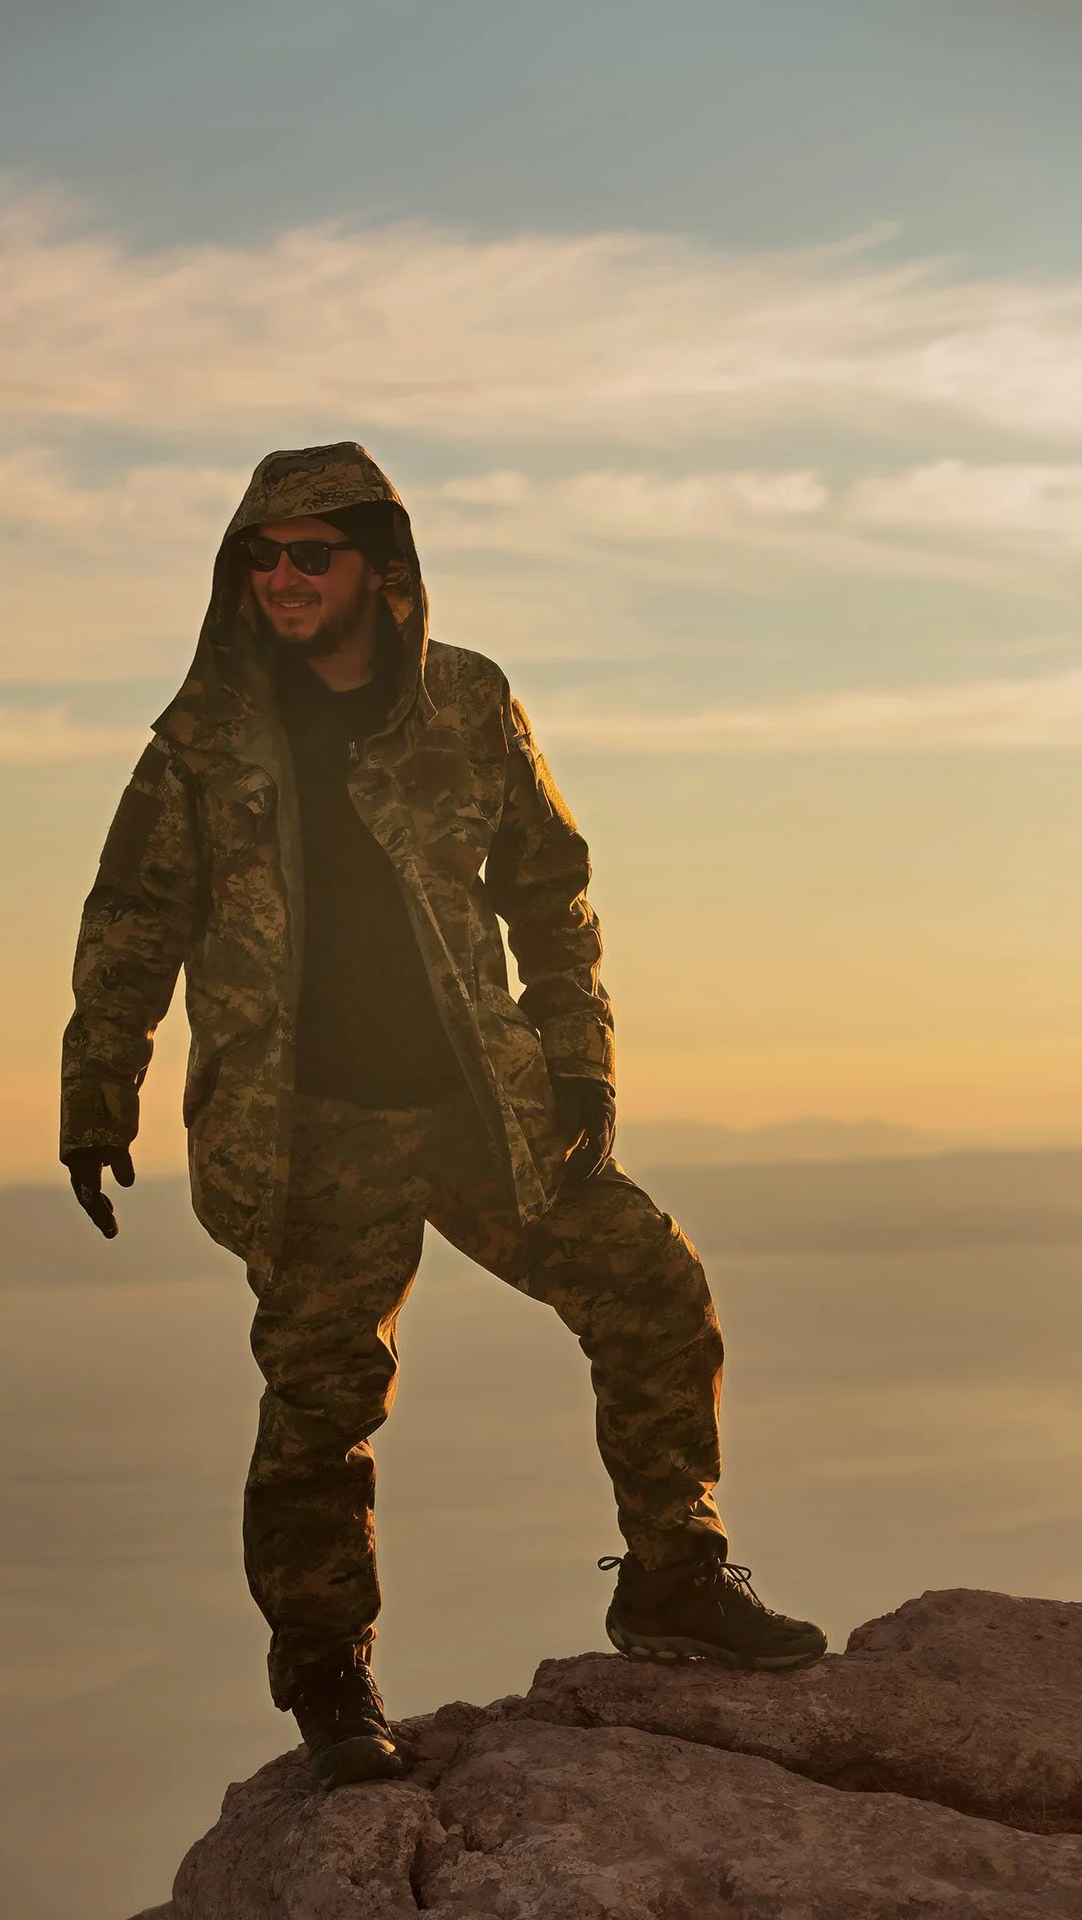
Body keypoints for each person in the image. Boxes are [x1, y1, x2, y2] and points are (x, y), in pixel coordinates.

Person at [60, 442, 826, 1791]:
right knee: (318, 1409)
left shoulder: (467, 701)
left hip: (487, 1109)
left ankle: (671, 1584)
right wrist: (97, 1081)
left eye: (312, 554)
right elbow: (134, 916)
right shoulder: (203, 742)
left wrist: (581, 1059)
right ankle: (329, 1682)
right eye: (261, 555)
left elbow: (551, 884)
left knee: (652, 1288)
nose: (282, 580)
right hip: (305, 1133)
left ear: (381, 569)